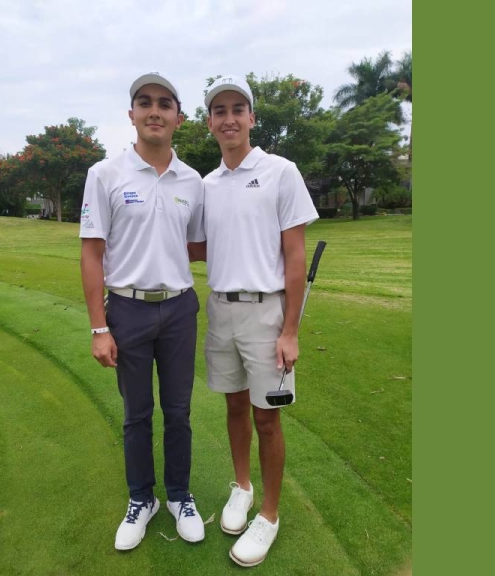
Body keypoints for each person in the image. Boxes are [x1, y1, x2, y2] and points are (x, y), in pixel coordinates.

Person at [190, 75, 319, 567]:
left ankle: (269, 513)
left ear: (251, 117)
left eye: (237, 108)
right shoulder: (206, 185)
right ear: (209, 122)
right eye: (219, 110)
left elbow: (294, 255)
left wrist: (291, 330)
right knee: (234, 407)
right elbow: (199, 248)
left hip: (267, 314)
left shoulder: (281, 171)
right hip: (220, 308)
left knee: (268, 418)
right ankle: (241, 487)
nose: (229, 118)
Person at [79, 72, 206, 551]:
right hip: (127, 311)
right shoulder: (105, 174)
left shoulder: (192, 180)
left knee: (178, 410)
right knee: (137, 414)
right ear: (131, 114)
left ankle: (178, 495)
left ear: (178, 117)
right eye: (145, 102)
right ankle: (141, 499)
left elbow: (195, 245)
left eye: (165, 104)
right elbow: (92, 253)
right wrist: (98, 327)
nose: (155, 111)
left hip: (178, 309)